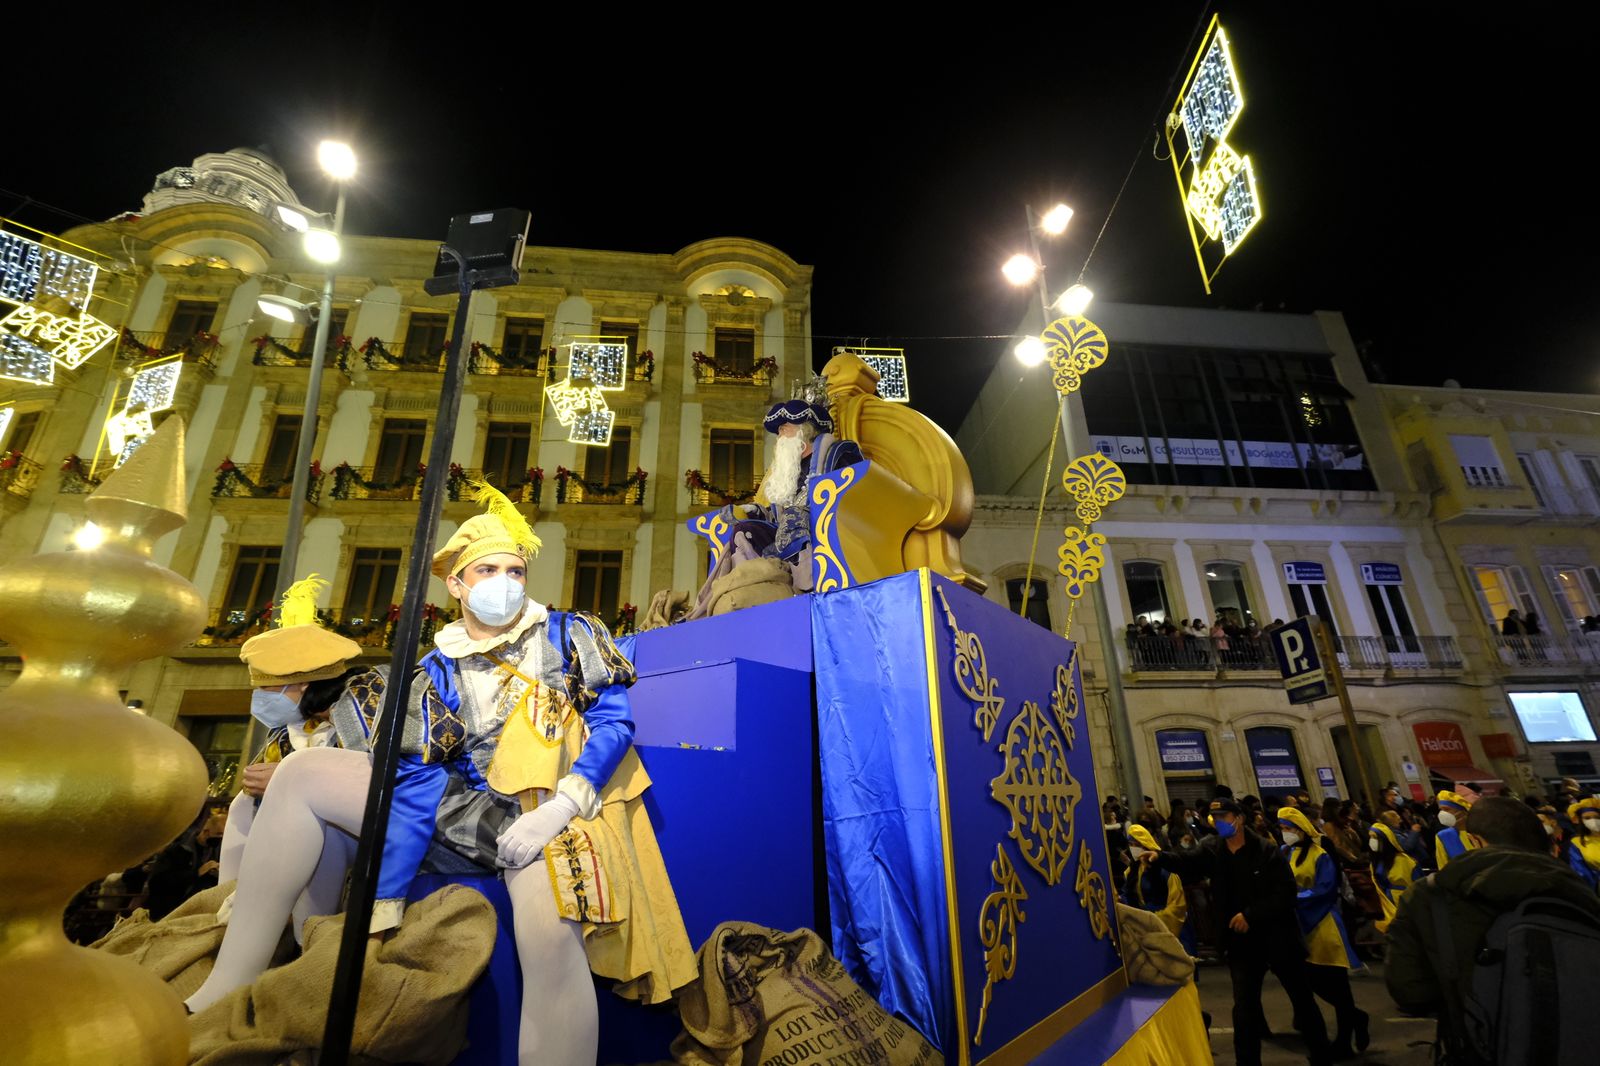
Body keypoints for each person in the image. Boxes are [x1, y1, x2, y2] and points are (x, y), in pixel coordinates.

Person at [186, 484, 695, 1063]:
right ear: (456, 585)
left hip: (550, 814)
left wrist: (561, 806)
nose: (505, 580)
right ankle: (235, 984)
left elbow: (613, 724)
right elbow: (417, 763)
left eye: (515, 569)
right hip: (456, 811)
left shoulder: (568, 633)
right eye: (486, 570)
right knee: (301, 775)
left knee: (551, 938)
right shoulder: (433, 665)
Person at [1385, 797, 1600, 1064]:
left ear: (1474, 840)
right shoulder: (1578, 889)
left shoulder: (1428, 896)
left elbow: (1410, 992)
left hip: (1480, 1045)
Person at [1148, 797, 1333, 1066]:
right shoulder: (1213, 849)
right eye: (1215, 818)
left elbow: (1285, 894)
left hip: (1278, 938)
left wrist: (1251, 915)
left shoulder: (1267, 851)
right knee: (1244, 1010)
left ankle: (1321, 1056)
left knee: (1302, 1001)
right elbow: (1187, 860)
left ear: (1239, 818)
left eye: (1224, 816)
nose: (1220, 822)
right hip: (1242, 944)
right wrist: (1159, 857)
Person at [218, 575, 370, 901]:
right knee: (243, 804)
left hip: (370, 838)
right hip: (295, 842)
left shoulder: (366, 707)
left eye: (267, 688)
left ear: (302, 685)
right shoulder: (288, 728)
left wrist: (289, 778)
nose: (259, 698)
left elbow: (381, 776)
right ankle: (227, 901)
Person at [689, 399, 864, 617]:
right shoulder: (787, 471)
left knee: (794, 517)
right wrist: (753, 511)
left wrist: (805, 512)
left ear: (805, 430)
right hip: (784, 536)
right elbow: (776, 513)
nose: (779, 436)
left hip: (824, 533)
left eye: (785, 428)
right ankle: (754, 583)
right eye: (779, 430)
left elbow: (852, 496)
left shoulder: (836, 456)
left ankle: (801, 587)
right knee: (745, 530)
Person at [1278, 807, 1368, 1059]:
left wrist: (1294, 898)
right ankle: (1356, 1017)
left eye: (1289, 828)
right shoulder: (1285, 853)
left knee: (1337, 985)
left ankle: (1344, 1040)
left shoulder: (1321, 855)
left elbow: (1326, 889)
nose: (1285, 833)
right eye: (1283, 828)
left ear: (1301, 829)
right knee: (1311, 982)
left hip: (1323, 924)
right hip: (1298, 925)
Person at [1122, 824, 1190, 948]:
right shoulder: (1131, 871)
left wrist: (1153, 922)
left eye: (1136, 844)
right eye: (1130, 845)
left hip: (1167, 927)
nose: (1133, 848)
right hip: (1141, 929)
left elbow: (1177, 906)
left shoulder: (1166, 869)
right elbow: (1128, 896)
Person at [1432, 790, 1477, 870]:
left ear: (1462, 811)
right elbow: (1443, 868)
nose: (1442, 813)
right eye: (1441, 810)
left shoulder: (1480, 830)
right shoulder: (1443, 836)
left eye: (1447, 809)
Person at [1568, 795, 1600, 891]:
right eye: (1587, 818)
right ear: (1581, 821)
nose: (1593, 821)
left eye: (1597, 817)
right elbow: (1581, 872)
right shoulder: (1577, 843)